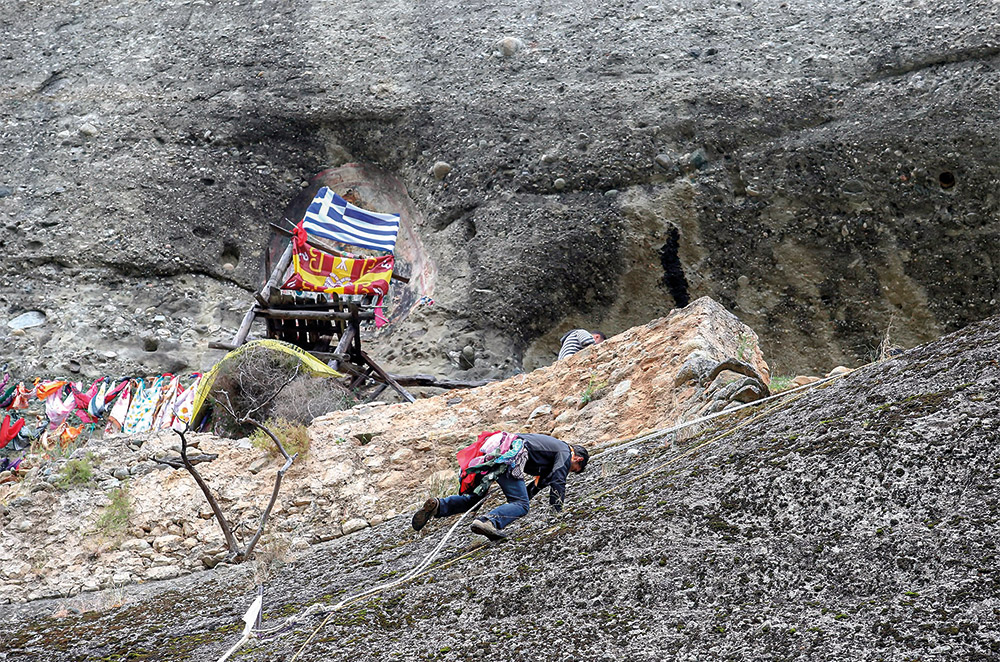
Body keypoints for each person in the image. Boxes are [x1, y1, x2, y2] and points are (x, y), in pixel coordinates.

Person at [411, 434, 590, 541]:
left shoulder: (549, 453)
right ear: (578, 460)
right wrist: (557, 513)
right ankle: (489, 521)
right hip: (511, 455)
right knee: (521, 505)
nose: (569, 471)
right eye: (573, 470)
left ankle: (439, 506)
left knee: (476, 498)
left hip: (496, 452)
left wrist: (528, 497)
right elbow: (559, 480)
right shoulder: (565, 451)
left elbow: (536, 486)